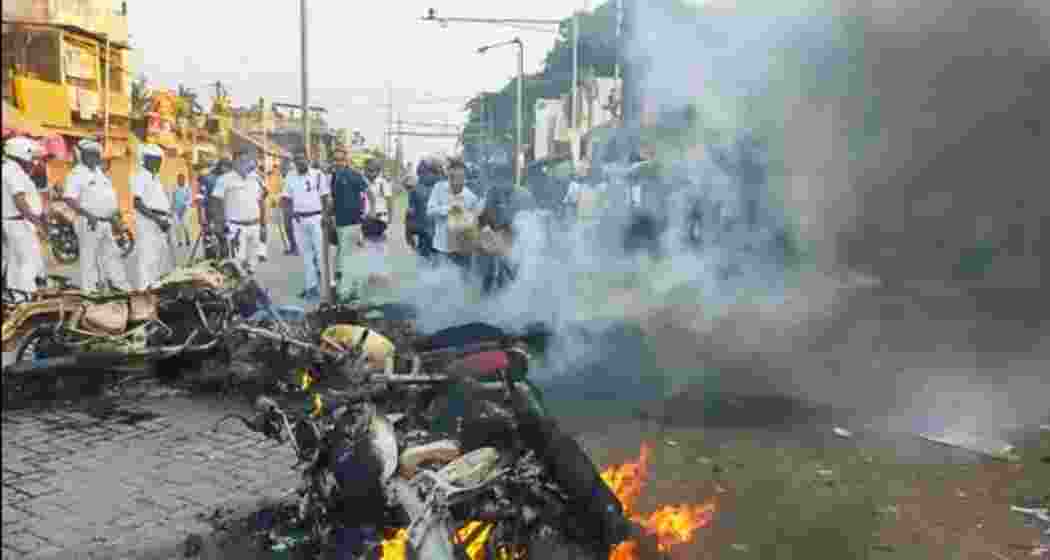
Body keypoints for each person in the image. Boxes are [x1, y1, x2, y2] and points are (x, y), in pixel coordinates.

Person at [63, 138, 129, 291]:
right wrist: (88, 215)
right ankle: (90, 290)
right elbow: (68, 198)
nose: (96, 158)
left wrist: (115, 219)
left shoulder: (100, 173)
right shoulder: (77, 174)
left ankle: (118, 285)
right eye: (91, 154)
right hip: (89, 222)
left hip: (106, 222)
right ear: (83, 156)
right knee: (89, 258)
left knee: (112, 254)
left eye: (97, 154)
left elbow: (108, 199)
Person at [210, 147, 268, 273]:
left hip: (255, 226)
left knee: (252, 266)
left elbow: (261, 201)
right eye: (241, 161)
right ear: (234, 162)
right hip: (235, 228)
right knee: (237, 264)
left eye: (247, 161)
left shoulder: (256, 179)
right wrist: (219, 225)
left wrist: (264, 225)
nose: (244, 164)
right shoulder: (224, 179)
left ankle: (248, 290)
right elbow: (216, 202)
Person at [282, 150, 330, 301]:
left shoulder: (318, 174)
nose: (300, 162)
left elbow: (325, 197)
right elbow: (286, 199)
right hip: (299, 220)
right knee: (307, 256)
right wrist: (290, 214)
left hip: (317, 218)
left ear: (308, 159)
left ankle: (328, 290)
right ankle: (311, 288)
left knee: (321, 254)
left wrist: (326, 216)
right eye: (296, 160)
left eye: (302, 159)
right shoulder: (290, 176)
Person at [2, 137, 47, 294]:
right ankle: (25, 295)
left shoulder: (8, 169)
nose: (33, 161)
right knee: (27, 261)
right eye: (32, 157)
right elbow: (20, 202)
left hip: (12, 223)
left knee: (16, 262)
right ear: (22, 153)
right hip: (16, 223)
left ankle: (17, 296)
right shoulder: (14, 172)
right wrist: (37, 223)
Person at [327, 147, 373, 302]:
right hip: (340, 224)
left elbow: (369, 193)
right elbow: (334, 200)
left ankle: (348, 293)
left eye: (340, 160)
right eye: (335, 160)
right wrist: (328, 216)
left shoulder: (354, 175)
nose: (338, 163)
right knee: (344, 258)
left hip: (353, 223)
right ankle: (351, 292)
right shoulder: (334, 177)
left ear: (346, 161)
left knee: (348, 258)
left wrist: (371, 212)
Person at [130, 144, 175, 289]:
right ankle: (143, 288)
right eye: (155, 160)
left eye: (159, 160)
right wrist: (158, 220)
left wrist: (165, 217)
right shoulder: (141, 176)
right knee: (147, 256)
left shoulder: (154, 177)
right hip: (149, 221)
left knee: (157, 256)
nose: (158, 163)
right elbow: (137, 203)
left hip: (159, 221)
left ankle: (154, 285)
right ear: (145, 159)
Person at [426, 157, 481, 270]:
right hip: (442, 247)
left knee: (461, 283)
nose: (456, 181)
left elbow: (475, 224)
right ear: (448, 176)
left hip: (462, 249)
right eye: (452, 177)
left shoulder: (471, 197)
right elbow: (430, 211)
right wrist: (448, 209)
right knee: (440, 281)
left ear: (464, 177)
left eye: (460, 177)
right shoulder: (439, 188)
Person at [402, 174, 432, 259]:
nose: (407, 189)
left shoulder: (412, 192)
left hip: (420, 225)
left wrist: (406, 216)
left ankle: (414, 249)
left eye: (407, 187)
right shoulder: (427, 188)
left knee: (408, 231)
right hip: (429, 224)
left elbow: (411, 210)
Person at [171, 173, 192, 247]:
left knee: (185, 225)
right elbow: (172, 198)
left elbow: (189, 200)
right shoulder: (174, 187)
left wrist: (184, 207)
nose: (180, 181)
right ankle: (179, 241)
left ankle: (187, 238)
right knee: (177, 226)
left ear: (184, 180)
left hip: (185, 209)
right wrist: (172, 208)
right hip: (176, 210)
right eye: (179, 179)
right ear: (177, 180)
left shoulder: (187, 188)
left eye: (182, 179)